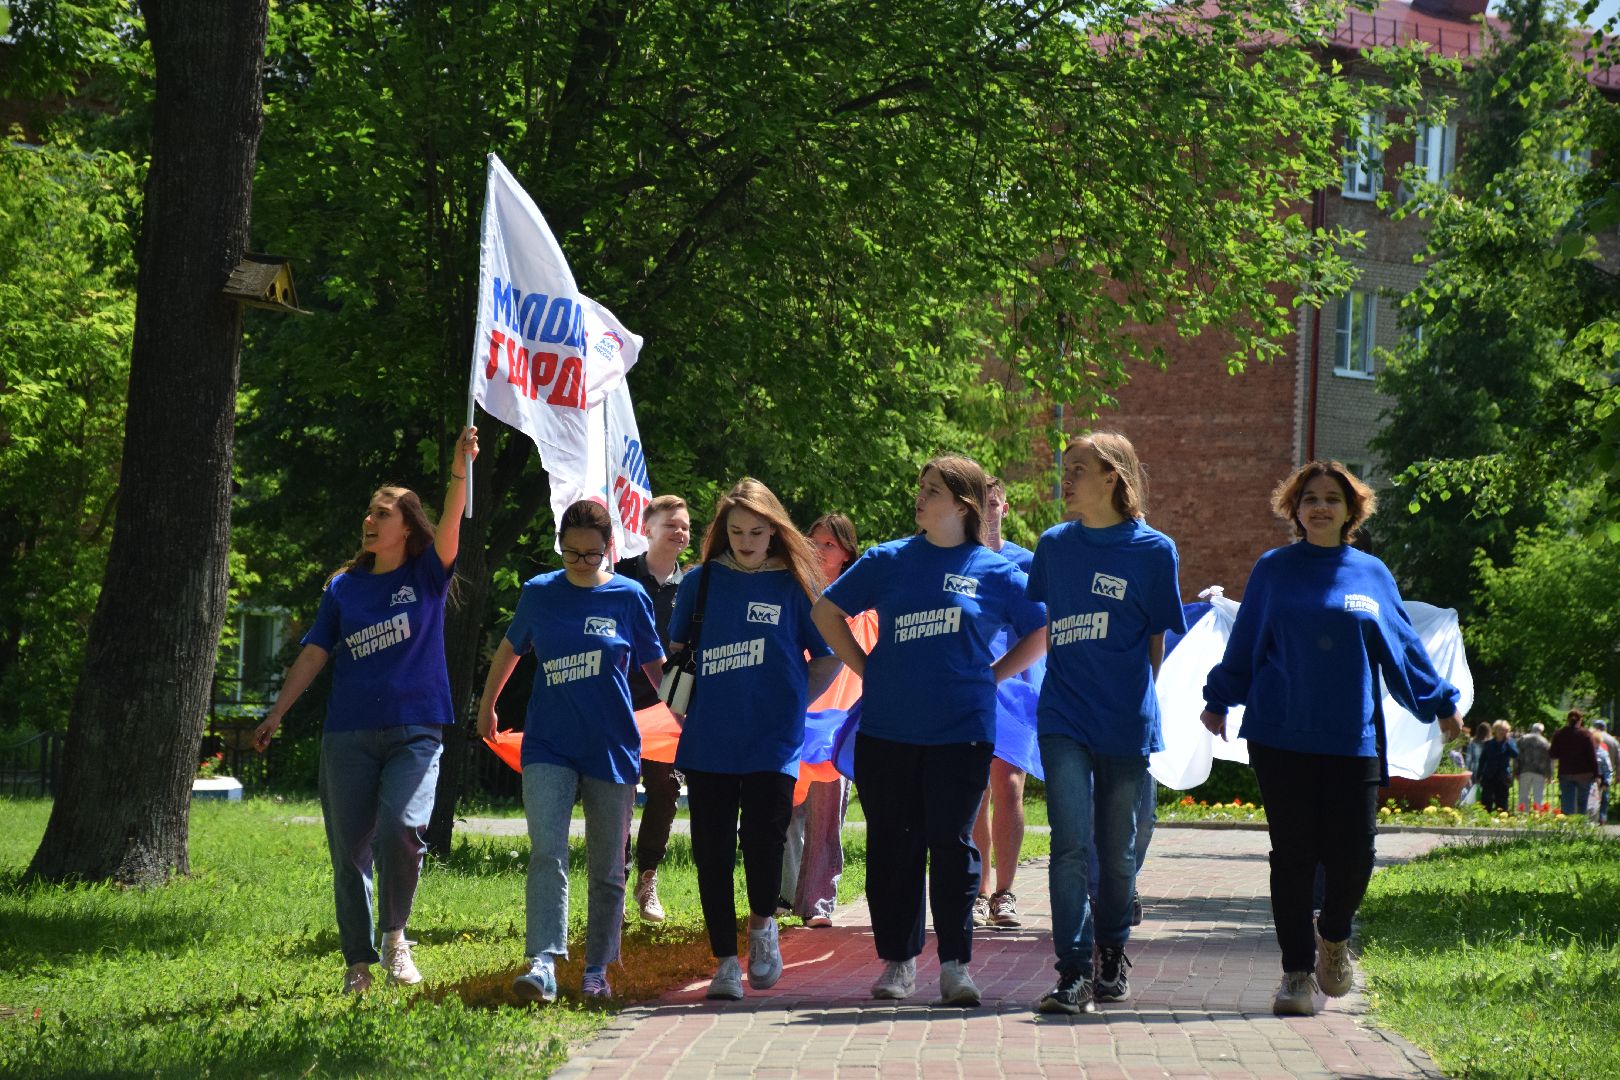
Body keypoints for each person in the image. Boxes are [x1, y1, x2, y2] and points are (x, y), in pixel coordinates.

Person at [1200, 460, 1464, 1018]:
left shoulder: (1371, 574)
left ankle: (1334, 937)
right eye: (1310, 498)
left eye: (1332, 499)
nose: (1320, 506)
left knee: (1357, 852)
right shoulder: (1274, 570)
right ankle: (1297, 974)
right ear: (1294, 509)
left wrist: (1439, 704)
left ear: (1351, 511)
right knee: (1292, 855)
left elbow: (1403, 649)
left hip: (1354, 738)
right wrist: (1219, 697)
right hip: (1281, 735)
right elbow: (1246, 643)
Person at [252, 427, 479, 994]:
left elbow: (453, 522)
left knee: (402, 829)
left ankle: (396, 937)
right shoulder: (344, 588)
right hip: (348, 734)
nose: (371, 521)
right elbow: (314, 652)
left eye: (383, 513)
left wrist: (459, 469)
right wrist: (277, 712)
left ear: (407, 525)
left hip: (415, 729)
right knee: (349, 851)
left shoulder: (427, 576)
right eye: (369, 513)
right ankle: (358, 962)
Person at [813, 455, 1047, 1006]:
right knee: (893, 844)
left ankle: (955, 965)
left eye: (933, 489)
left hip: (961, 730)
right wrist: (865, 666)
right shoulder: (888, 559)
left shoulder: (995, 570)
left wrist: (992, 676)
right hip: (888, 729)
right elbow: (827, 612)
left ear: (963, 504)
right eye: (920, 487)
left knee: (951, 844)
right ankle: (898, 962)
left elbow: (1044, 631)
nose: (919, 497)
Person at [476, 500, 665, 1003]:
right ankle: (543, 962)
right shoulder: (539, 593)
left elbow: (655, 669)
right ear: (559, 544)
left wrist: (686, 717)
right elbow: (510, 650)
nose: (580, 562)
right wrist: (487, 704)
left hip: (611, 746)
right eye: (570, 552)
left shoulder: (630, 597)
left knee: (607, 866)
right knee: (547, 853)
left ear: (609, 550)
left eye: (590, 554)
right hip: (549, 744)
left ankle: (597, 968)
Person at [1027, 433, 1186, 1015]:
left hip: (1123, 720)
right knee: (1069, 846)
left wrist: (1134, 701)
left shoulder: (1153, 550)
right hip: (1063, 715)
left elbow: (1154, 641)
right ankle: (1072, 971)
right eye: (1063, 468)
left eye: (1079, 470)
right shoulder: (1054, 546)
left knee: (1116, 854)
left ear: (1114, 477)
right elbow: (1051, 624)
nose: (1065, 480)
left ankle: (1111, 951)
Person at [667, 479, 840, 1000]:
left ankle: (763, 930)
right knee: (711, 851)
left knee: (763, 842)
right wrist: (684, 709)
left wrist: (794, 701)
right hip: (708, 740)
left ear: (775, 531)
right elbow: (677, 653)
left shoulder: (793, 584)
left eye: (757, 531)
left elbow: (828, 655)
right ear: (723, 531)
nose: (746, 540)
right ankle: (724, 962)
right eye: (737, 531)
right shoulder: (700, 582)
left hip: (773, 740)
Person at [779, 513, 869, 928]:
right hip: (794, 716)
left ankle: (817, 903)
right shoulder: (794, 592)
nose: (817, 550)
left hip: (836, 726)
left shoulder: (862, 604)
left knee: (824, 814)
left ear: (846, 553)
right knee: (782, 809)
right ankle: (782, 895)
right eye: (812, 541)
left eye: (828, 544)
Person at [614, 494, 692, 924]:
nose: (679, 532)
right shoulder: (620, 576)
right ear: (647, 529)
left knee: (664, 790)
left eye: (684, 526)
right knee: (618, 792)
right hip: (620, 702)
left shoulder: (694, 585)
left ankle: (648, 879)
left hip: (668, 704)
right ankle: (618, 882)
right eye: (670, 525)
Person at [971, 476, 1038, 930]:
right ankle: (978, 891)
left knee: (1008, 783)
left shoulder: (1027, 563)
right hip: (970, 685)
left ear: (1005, 508)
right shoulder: (962, 559)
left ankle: (1005, 893)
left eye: (995, 504)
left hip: (1015, 686)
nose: (990, 512)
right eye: (982, 505)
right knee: (974, 787)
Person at [1549, 709, 1599, 817]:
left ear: (1567, 720)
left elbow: (1553, 754)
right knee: (1582, 802)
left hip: (1566, 772)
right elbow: (1592, 756)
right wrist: (1596, 773)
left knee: (1567, 802)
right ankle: (1581, 824)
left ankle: (1568, 824)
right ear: (1580, 720)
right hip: (1584, 774)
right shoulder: (1586, 734)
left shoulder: (1559, 734)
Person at [1474, 720, 1518, 813]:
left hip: (1503, 777)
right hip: (1489, 776)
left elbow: (1515, 754)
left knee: (1502, 802)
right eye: (1499, 730)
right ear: (1495, 730)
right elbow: (1482, 760)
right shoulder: (1488, 743)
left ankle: (1502, 821)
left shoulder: (1510, 743)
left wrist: (1507, 742)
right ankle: (1485, 821)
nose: (1501, 732)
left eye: (1504, 730)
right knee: (1486, 801)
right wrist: (1478, 775)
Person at [1516, 722, 1552, 810]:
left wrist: (1516, 772)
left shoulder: (1523, 739)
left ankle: (1523, 816)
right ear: (1541, 731)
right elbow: (1548, 759)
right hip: (1539, 771)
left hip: (1525, 770)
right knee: (1538, 796)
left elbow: (1517, 756)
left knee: (1523, 796)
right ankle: (1538, 816)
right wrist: (1549, 775)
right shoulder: (1545, 741)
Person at [1592, 719, 1619, 824]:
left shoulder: (1591, 737)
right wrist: (1618, 774)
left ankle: (1593, 817)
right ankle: (1603, 817)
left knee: (1593, 797)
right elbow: (1618, 760)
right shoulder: (1613, 741)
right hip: (1607, 773)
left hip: (1594, 774)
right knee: (1605, 797)